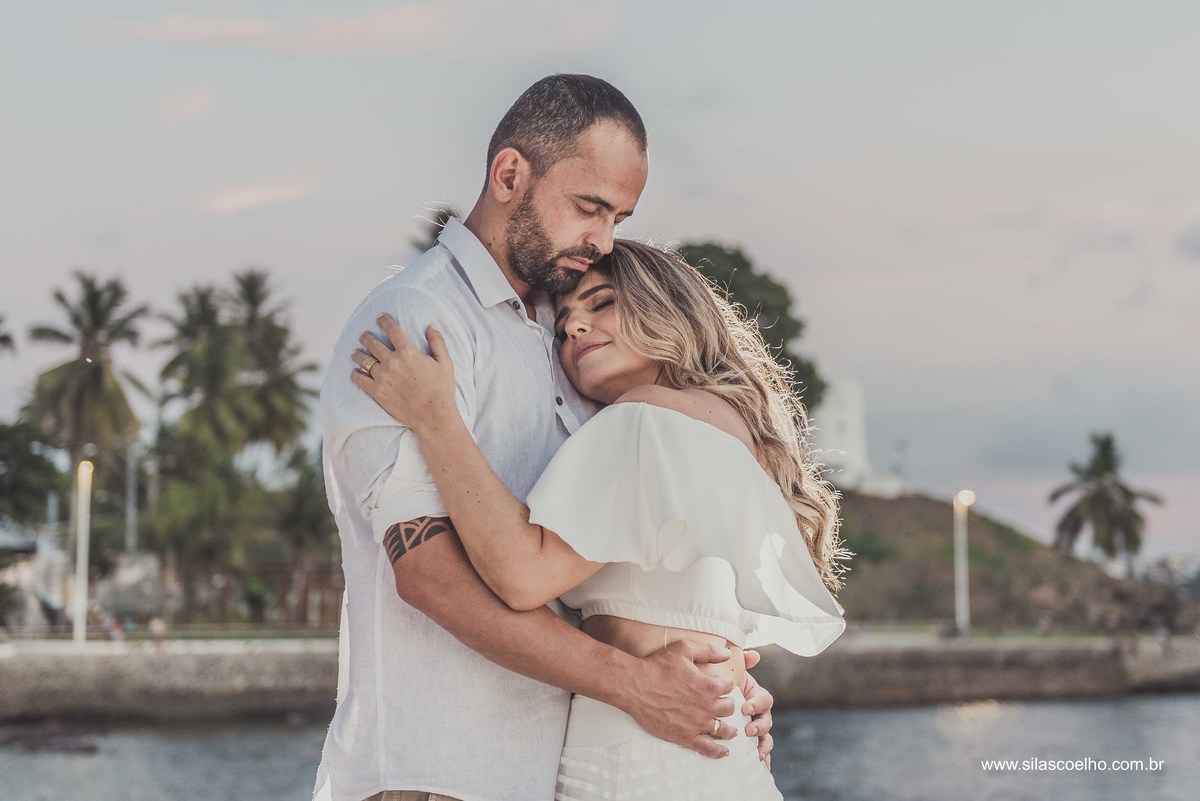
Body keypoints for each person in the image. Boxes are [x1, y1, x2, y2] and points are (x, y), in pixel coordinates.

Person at [314, 75, 776, 801]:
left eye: (619, 217)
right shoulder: (413, 321)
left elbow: (601, 567)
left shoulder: (571, 348)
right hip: (433, 778)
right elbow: (430, 577)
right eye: (590, 207)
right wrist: (639, 683)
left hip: (559, 775)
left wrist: (705, 679)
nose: (602, 241)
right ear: (509, 175)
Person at [351, 239, 847, 799]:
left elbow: (522, 575)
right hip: (704, 750)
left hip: (640, 759)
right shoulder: (729, 432)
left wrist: (435, 415)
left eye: (602, 303)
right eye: (562, 327)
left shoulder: (645, 418)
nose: (576, 330)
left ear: (667, 307)